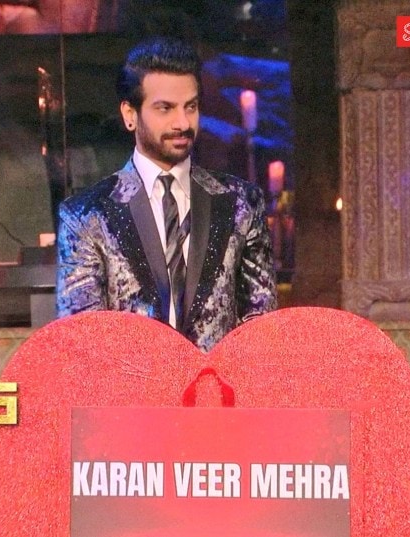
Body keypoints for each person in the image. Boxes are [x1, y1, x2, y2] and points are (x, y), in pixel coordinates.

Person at [56, 37, 276, 352]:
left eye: (191, 107)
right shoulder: (86, 216)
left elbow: (260, 329)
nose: (182, 123)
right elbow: (82, 341)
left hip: (217, 382)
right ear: (130, 114)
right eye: (165, 108)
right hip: (131, 382)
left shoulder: (243, 203)